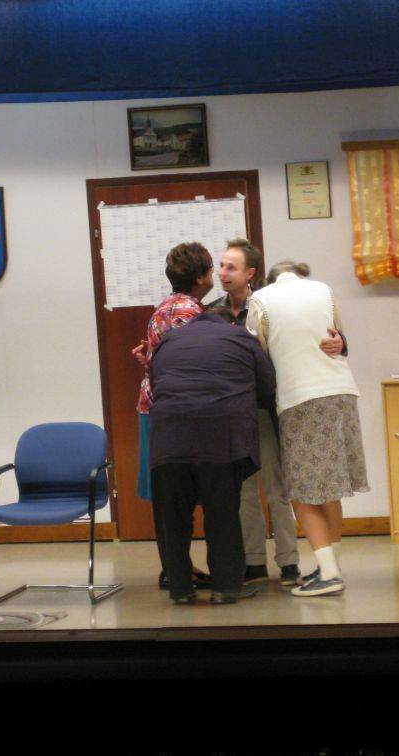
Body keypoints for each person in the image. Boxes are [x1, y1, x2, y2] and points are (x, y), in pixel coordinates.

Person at [206, 238, 345, 587]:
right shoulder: (211, 313)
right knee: (244, 491)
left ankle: (288, 561)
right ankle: (253, 560)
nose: (222, 273)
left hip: (267, 408)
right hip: (232, 414)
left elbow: (311, 338)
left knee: (277, 487)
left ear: (250, 273)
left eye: (231, 267)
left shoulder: (271, 302)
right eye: (221, 266)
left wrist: (342, 342)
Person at [246, 260, 368, 597]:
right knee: (329, 489)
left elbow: (258, 354)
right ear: (299, 277)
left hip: (301, 399)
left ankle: (328, 575)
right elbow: (337, 336)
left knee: (301, 491)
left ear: (270, 280)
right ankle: (332, 565)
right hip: (342, 393)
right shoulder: (324, 291)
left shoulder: (261, 300)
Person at [148, 310, 276, 604]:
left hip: (169, 436)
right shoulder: (241, 337)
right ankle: (225, 587)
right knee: (222, 512)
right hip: (221, 436)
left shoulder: (168, 340)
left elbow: (155, 384)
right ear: (229, 323)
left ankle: (180, 589)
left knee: (173, 516)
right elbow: (267, 386)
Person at [133, 241, 214, 591]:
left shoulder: (165, 307)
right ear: (200, 278)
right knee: (176, 495)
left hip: (153, 406)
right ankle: (176, 570)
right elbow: (189, 361)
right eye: (211, 270)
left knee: (166, 497)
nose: (214, 275)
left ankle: (175, 567)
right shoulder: (188, 312)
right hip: (173, 412)